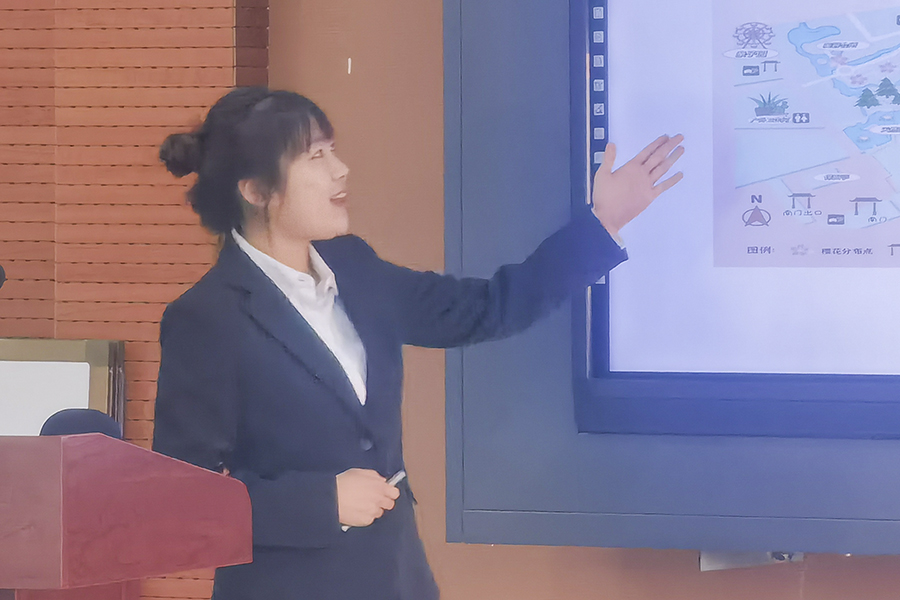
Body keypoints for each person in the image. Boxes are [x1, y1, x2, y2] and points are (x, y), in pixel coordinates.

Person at [151, 87, 684, 600]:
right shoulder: (207, 319)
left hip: (397, 580)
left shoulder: (352, 265)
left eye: (333, 150)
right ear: (255, 190)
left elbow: (485, 308)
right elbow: (179, 505)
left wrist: (602, 224)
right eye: (316, 156)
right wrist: (320, 502)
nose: (341, 169)